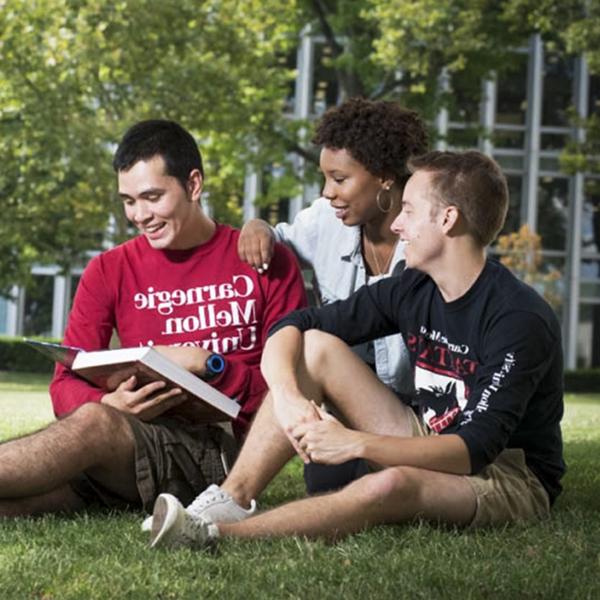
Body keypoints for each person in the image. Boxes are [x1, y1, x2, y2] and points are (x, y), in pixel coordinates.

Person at [148, 150, 565, 549]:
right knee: (314, 347)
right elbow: (295, 325)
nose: (397, 225)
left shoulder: (518, 319)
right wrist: (290, 398)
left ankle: (212, 536)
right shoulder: (413, 287)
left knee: (390, 485)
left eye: (410, 211)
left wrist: (354, 443)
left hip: (507, 475)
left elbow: (474, 450)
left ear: (448, 219)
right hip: (433, 433)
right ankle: (231, 498)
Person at [0, 119, 306, 518]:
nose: (140, 215)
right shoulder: (108, 270)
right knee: (20, 498)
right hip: (127, 443)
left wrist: (206, 365)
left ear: (193, 185)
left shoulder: (263, 259)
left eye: (152, 197)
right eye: (128, 201)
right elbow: (65, 382)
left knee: (93, 422)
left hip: (221, 454)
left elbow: (291, 385)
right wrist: (111, 401)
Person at [238, 98, 428, 493]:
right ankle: (232, 495)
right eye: (325, 178)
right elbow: (277, 238)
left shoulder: (430, 242)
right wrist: (257, 226)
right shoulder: (326, 221)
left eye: (340, 179)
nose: (328, 193)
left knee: (314, 345)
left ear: (385, 177)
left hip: (419, 421)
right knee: (328, 483)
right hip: (345, 411)